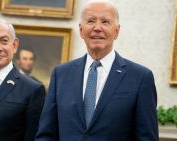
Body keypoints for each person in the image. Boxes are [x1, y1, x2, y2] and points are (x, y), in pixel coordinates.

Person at [36, 0, 158, 141]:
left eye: (105, 22)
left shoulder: (140, 78)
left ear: (116, 31)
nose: (97, 28)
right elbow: (47, 134)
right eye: (91, 21)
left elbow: (146, 138)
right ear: (81, 30)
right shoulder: (61, 74)